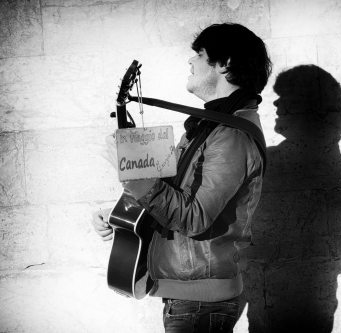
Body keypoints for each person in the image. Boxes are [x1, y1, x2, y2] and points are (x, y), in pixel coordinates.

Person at [92, 23, 271, 332]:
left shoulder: (231, 136)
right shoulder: (210, 127)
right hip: (189, 298)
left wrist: (134, 172)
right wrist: (122, 215)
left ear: (225, 63)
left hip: (200, 303)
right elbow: (172, 194)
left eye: (199, 54)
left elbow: (195, 216)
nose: (190, 62)